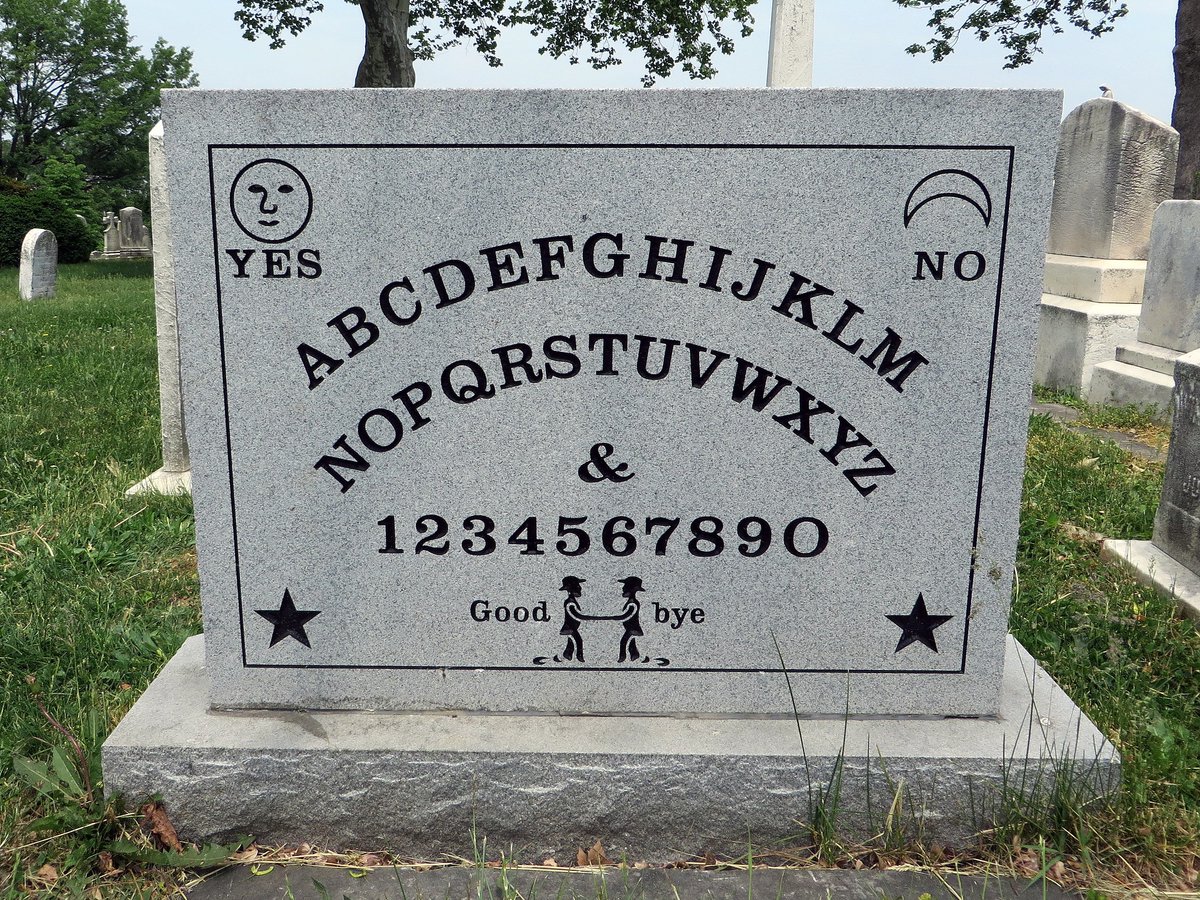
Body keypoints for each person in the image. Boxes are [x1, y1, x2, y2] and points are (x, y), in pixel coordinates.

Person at [615, 576, 646, 663]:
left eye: (625, 586)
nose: (623, 588)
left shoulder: (632, 603)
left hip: (632, 629)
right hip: (630, 628)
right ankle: (634, 656)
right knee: (631, 643)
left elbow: (627, 616)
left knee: (623, 642)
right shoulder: (631, 601)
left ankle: (623, 657)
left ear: (630, 588)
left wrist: (613, 618)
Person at [557, 576, 587, 662]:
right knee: (578, 641)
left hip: (572, 627)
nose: (580, 588)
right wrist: (591, 618)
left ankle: (568, 654)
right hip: (569, 628)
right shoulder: (570, 602)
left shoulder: (572, 601)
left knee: (571, 642)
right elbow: (576, 615)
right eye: (577, 586)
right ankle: (578, 657)